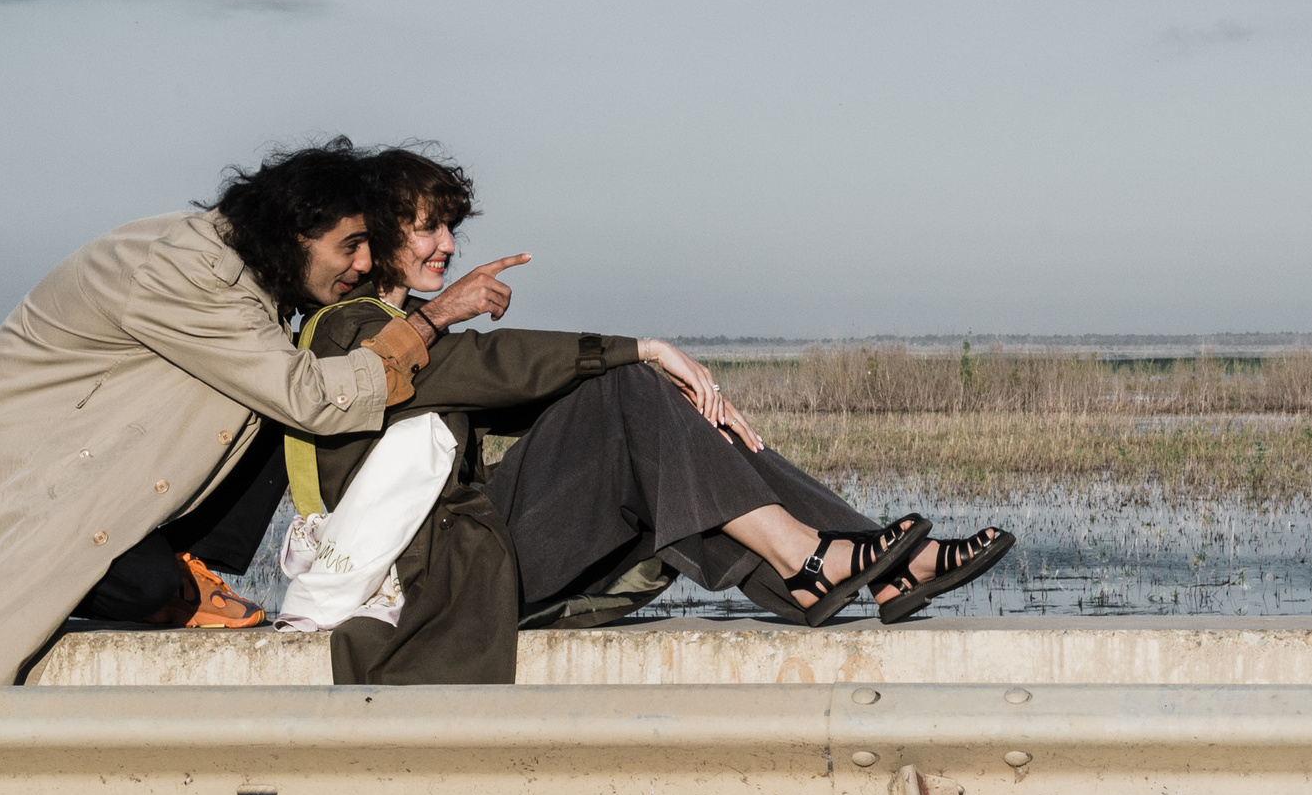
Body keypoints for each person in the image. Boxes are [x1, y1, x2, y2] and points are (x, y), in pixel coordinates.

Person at [284, 147, 1013, 684]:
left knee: (652, 402)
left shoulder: (409, 325)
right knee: (627, 383)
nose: (448, 244)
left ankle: (861, 563)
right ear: (378, 237)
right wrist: (644, 349)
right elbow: (491, 368)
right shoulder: (349, 332)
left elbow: (516, 387)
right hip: (441, 582)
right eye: (427, 227)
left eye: (450, 228)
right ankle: (820, 559)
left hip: (475, 555)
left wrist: (674, 401)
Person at [0, 138, 513, 686]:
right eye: (351, 245)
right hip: (35, 494)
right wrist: (431, 319)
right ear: (294, 232)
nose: (362, 263)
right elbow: (313, 398)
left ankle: (194, 568)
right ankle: (184, 579)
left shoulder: (247, 272)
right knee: (150, 584)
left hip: (96, 472)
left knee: (296, 374)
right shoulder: (188, 273)